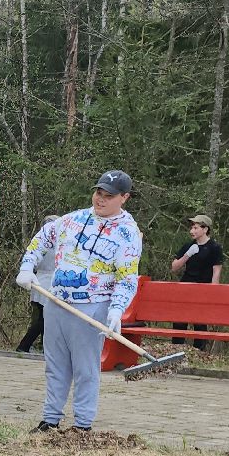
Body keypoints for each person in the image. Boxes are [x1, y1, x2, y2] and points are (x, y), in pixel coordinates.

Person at [14, 170, 142, 433]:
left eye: (109, 196)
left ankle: (82, 425)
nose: (101, 199)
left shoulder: (128, 234)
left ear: (124, 198)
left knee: (85, 368)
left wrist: (117, 310)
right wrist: (28, 265)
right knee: (55, 365)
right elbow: (43, 238)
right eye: (98, 193)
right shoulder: (73, 220)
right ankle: (50, 420)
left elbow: (127, 278)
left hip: (93, 307)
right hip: (56, 301)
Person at [169, 213, 224, 349]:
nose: (192, 231)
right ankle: (177, 348)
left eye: (196, 228)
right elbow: (174, 267)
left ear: (205, 229)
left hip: (203, 289)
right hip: (185, 287)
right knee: (179, 320)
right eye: (192, 228)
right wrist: (187, 255)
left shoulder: (214, 248)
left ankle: (199, 351)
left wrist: (213, 291)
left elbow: (216, 271)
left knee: (200, 322)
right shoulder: (188, 246)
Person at [14, 214, 60, 353]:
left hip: (41, 280)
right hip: (46, 282)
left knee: (44, 318)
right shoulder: (53, 246)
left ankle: (44, 349)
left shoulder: (44, 244)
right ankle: (24, 346)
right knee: (44, 319)